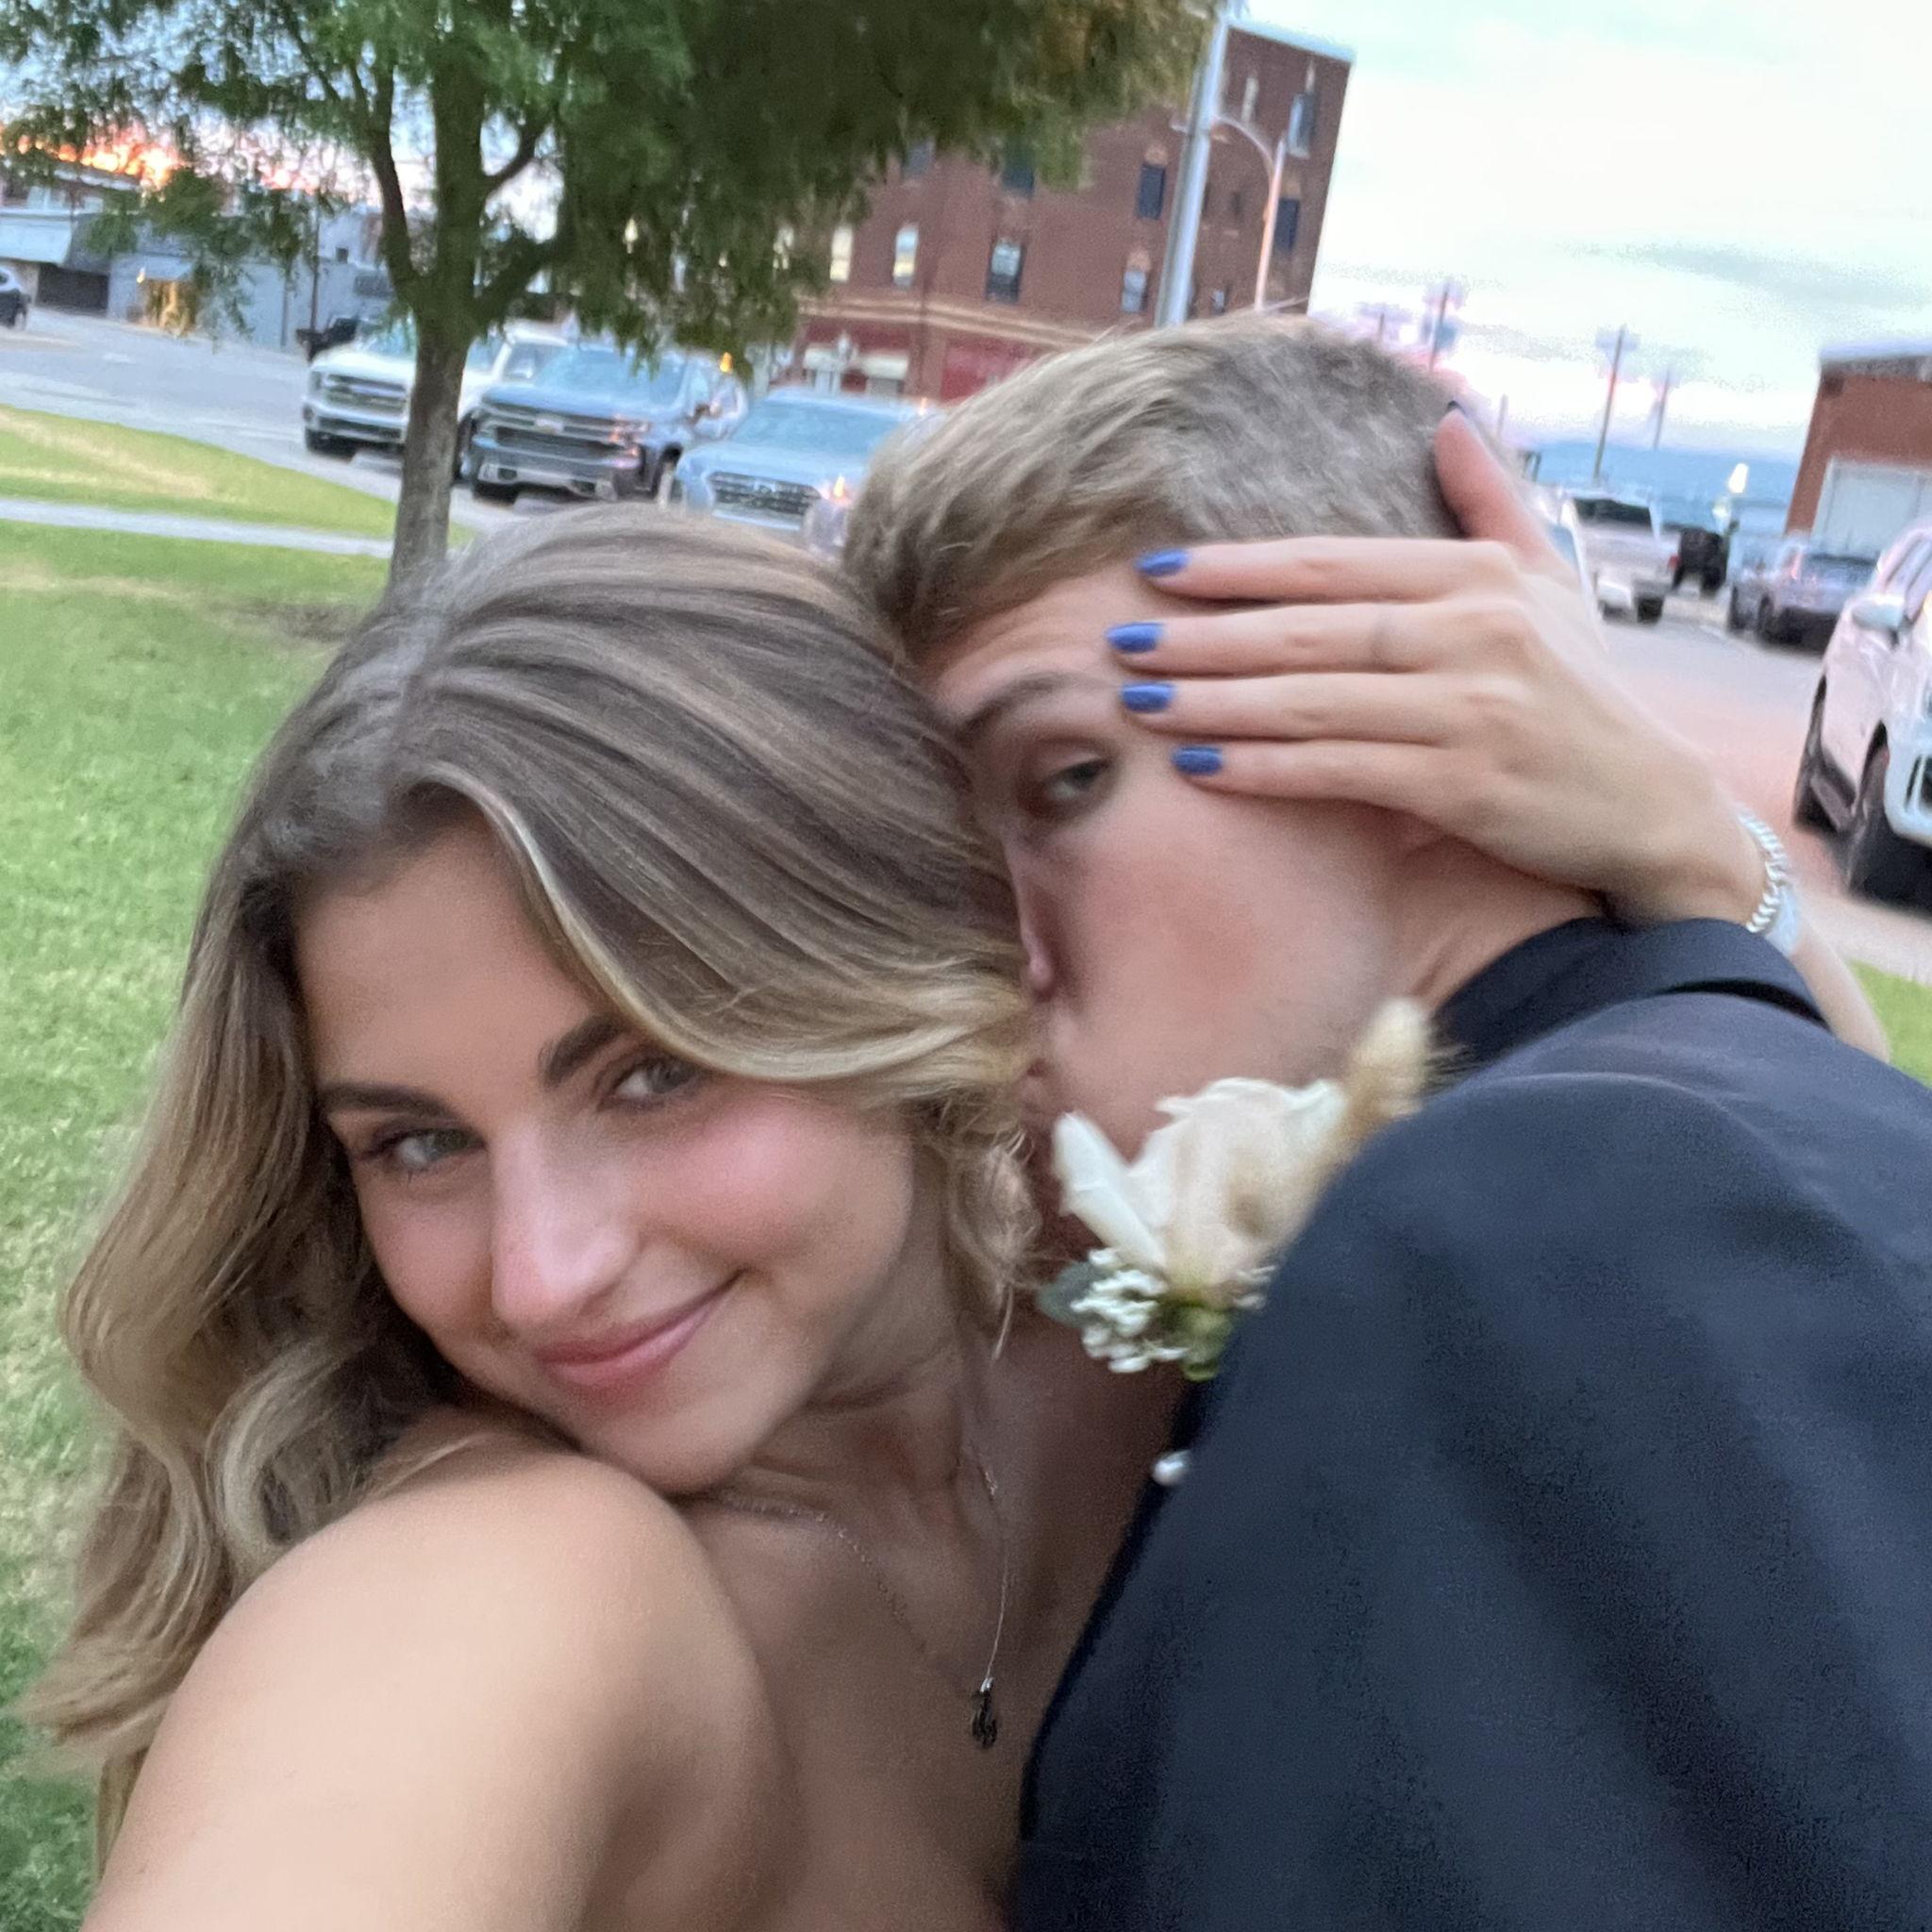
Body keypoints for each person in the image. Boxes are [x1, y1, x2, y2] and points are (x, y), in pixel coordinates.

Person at [29, 329, 1890, 1932]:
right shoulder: (518, 1586)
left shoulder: (1211, 1288)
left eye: (655, 1071)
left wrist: (1681, 843)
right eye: (416, 1144)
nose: (544, 1273)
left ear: (879, 964)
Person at [845, 312, 1932, 1927]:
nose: (977, 950)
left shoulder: (1535, 1224)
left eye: (1064, 780)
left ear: (1449, 724)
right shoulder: (1703, 1138)